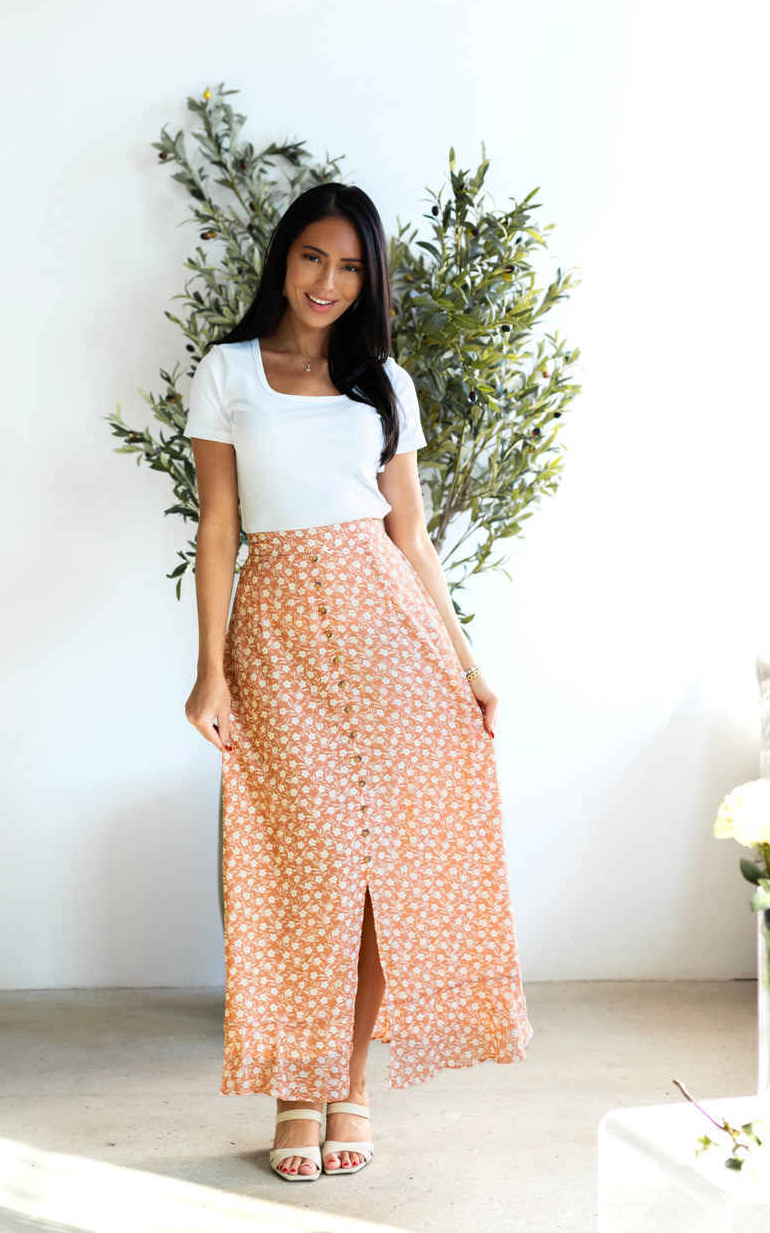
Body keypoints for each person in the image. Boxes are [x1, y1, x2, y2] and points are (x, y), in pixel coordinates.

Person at [183, 182, 532, 1182]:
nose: (327, 282)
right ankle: (296, 1090)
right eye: (312, 258)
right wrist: (209, 671)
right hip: (279, 630)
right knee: (309, 862)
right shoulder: (228, 371)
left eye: (348, 266)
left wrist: (468, 666)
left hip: (390, 628)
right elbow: (219, 530)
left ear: (368, 279)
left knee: (386, 871)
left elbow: (411, 537)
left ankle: (348, 1084)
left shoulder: (386, 383)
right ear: (283, 260)